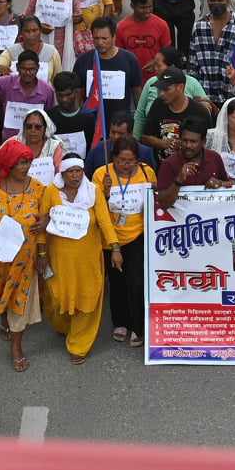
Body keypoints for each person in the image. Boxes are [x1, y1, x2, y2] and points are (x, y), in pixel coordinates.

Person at [0, 139, 53, 373]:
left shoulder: (38, 189)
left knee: (19, 303)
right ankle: (3, 318)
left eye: (28, 162)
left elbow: (43, 221)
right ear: (8, 165)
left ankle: (16, 347)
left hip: (25, 261)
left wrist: (43, 247)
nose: (26, 167)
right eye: (21, 162)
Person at [95, 136, 155, 346]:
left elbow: (154, 201)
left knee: (136, 282)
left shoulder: (147, 172)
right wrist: (103, 191)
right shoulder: (102, 174)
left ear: (138, 160)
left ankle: (137, 326)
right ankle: (120, 322)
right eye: (121, 160)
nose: (125, 165)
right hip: (111, 237)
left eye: (130, 161)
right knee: (117, 282)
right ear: (113, 158)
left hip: (137, 235)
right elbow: (98, 209)